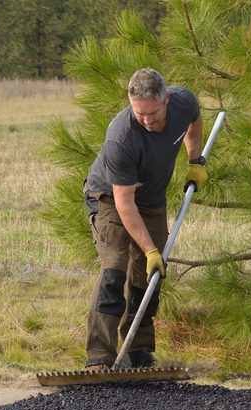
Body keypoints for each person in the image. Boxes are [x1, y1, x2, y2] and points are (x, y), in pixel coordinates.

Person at [82, 68, 207, 372]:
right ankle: (99, 358)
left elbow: (195, 121)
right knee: (114, 268)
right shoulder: (121, 137)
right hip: (110, 197)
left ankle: (138, 352)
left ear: (166, 100)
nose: (147, 120)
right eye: (140, 114)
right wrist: (149, 249)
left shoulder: (183, 101)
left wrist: (195, 161)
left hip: (151, 199)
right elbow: (124, 203)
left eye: (152, 113)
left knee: (148, 276)